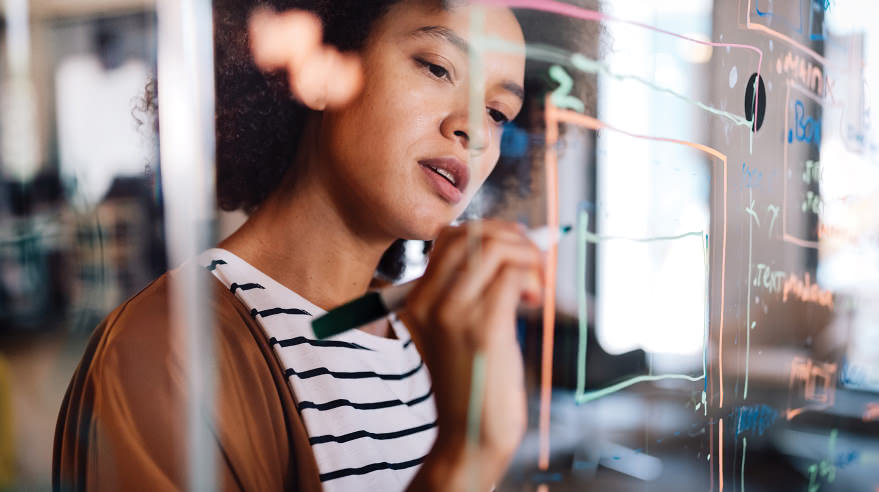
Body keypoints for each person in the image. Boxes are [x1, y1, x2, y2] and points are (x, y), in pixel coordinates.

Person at [54, 0, 542, 490]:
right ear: (322, 68)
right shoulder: (167, 351)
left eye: (498, 113)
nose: (475, 132)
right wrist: (466, 458)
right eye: (437, 68)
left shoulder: (432, 340)